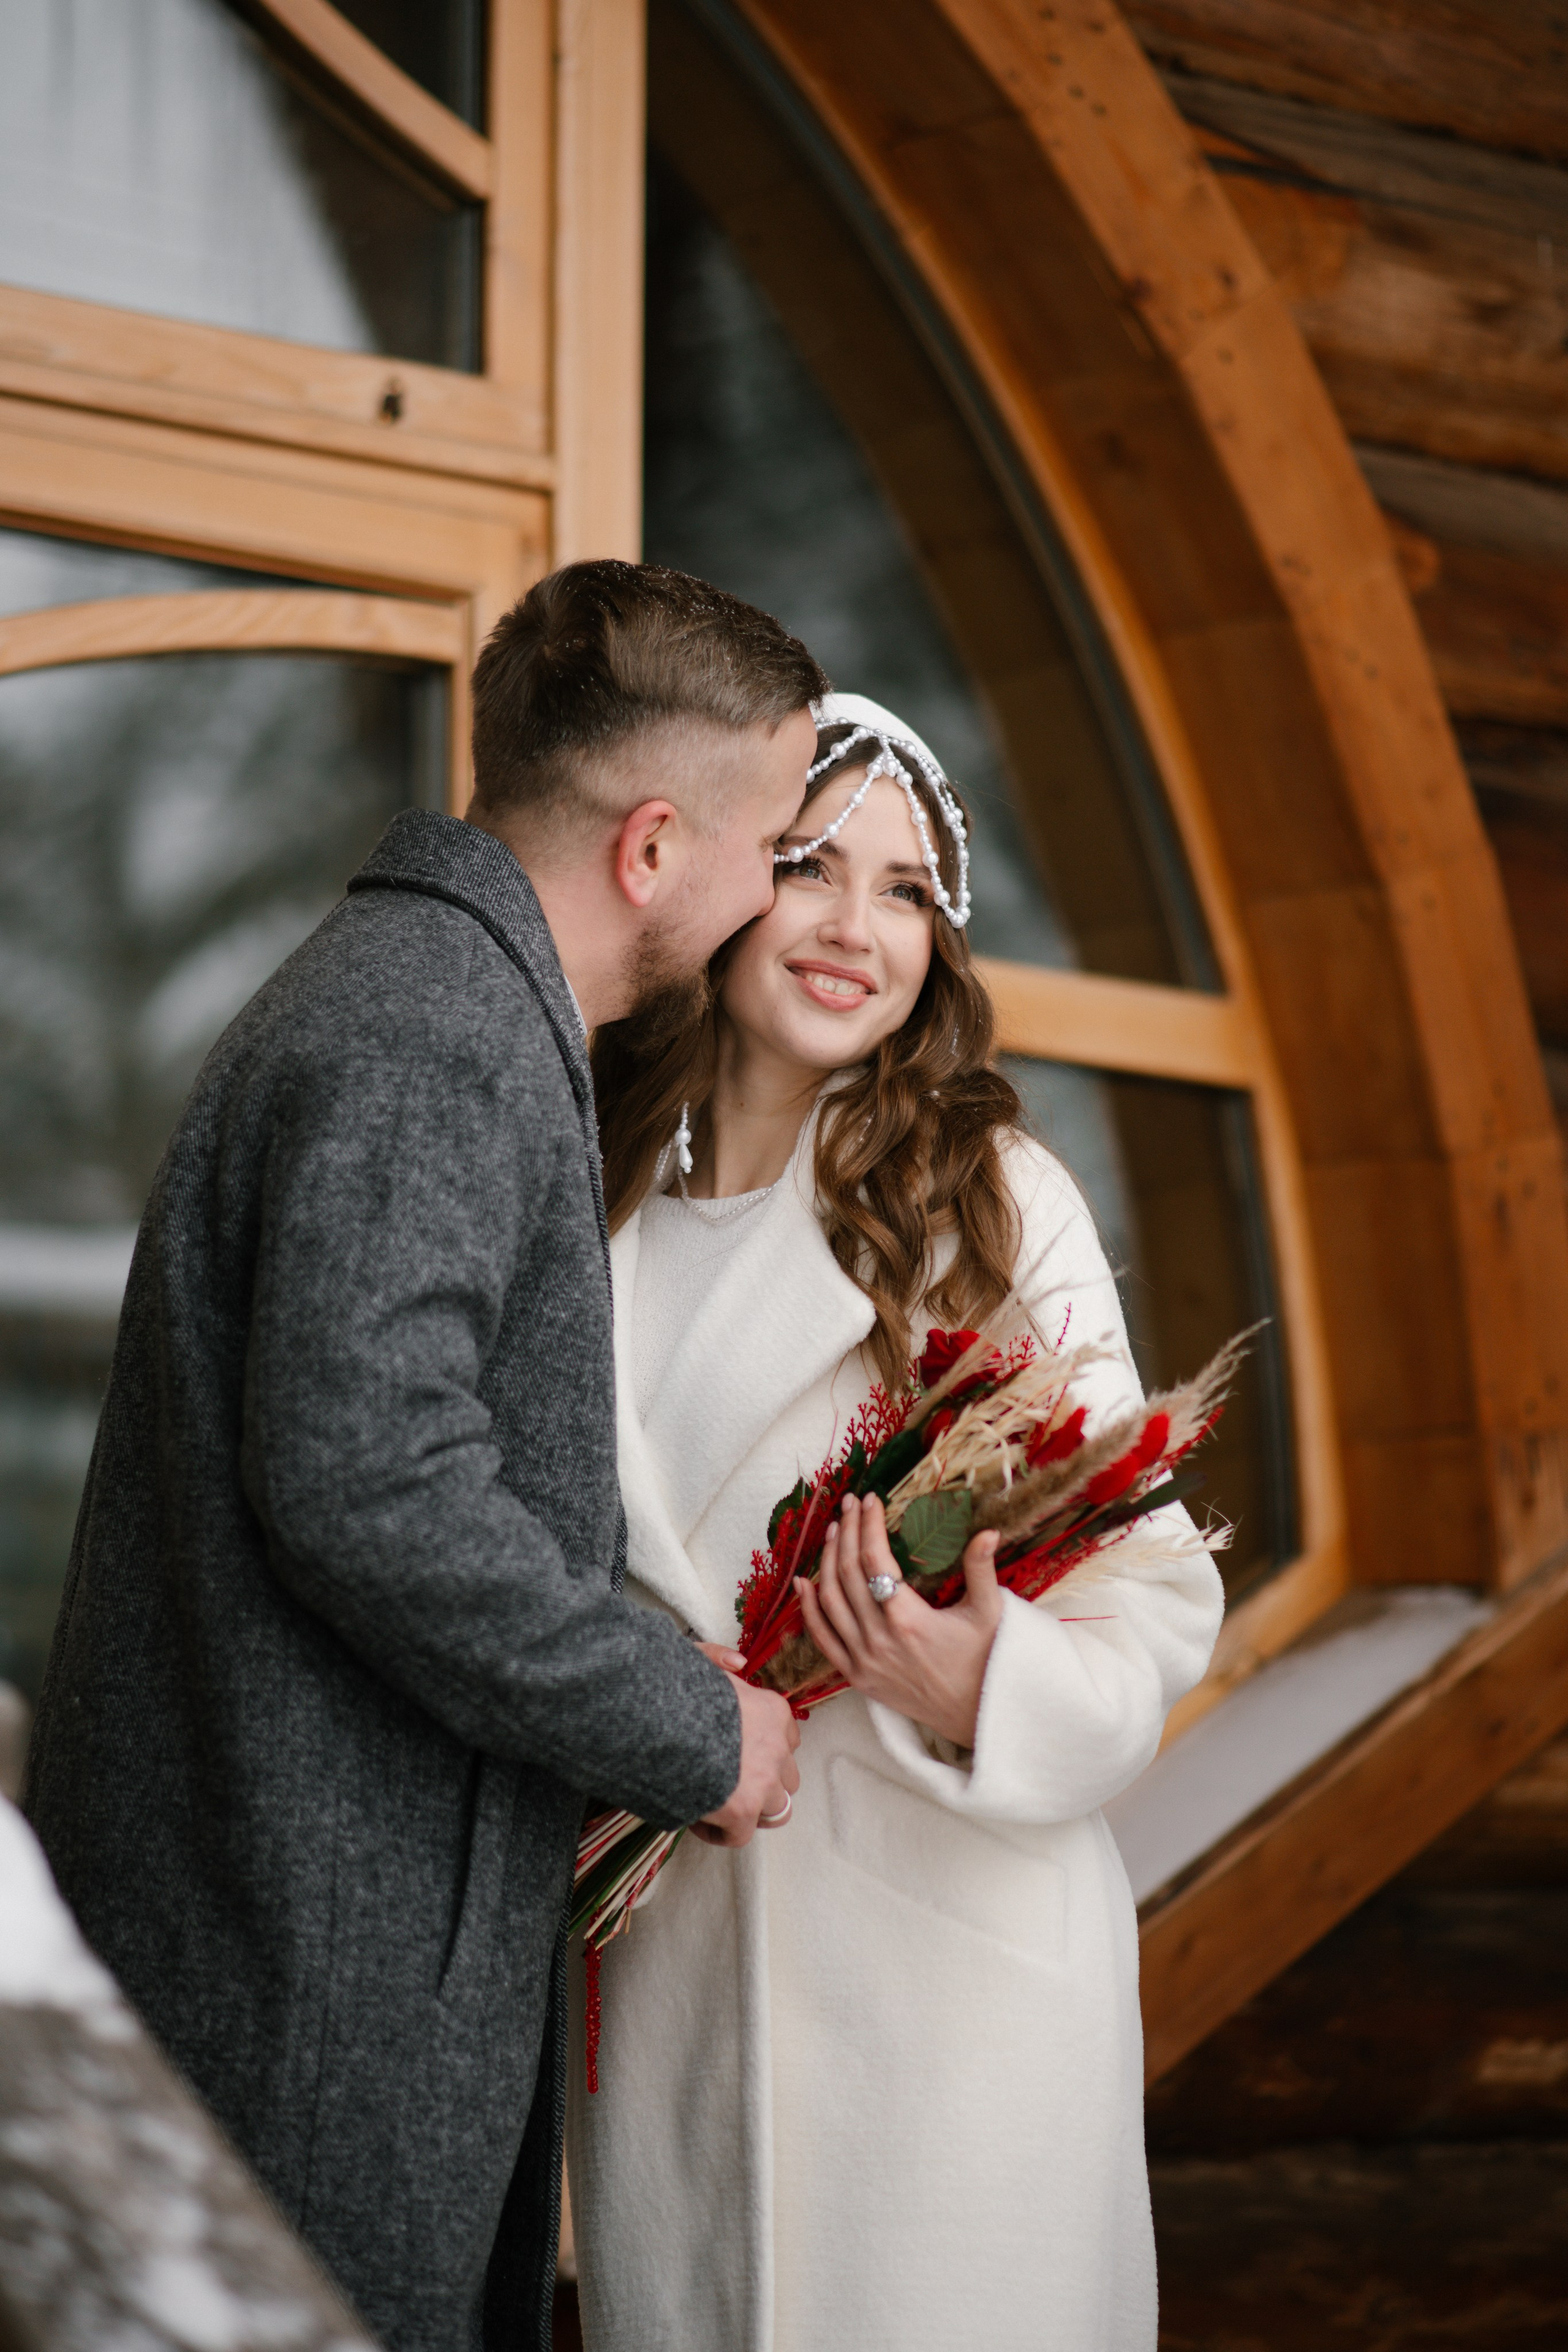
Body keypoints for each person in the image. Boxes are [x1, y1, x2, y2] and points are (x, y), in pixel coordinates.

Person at [23, 562, 822, 2352]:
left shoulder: (433, 1002)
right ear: (654, 846)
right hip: (299, 1972)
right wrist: (684, 1725)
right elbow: (369, 1479)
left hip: (308, 1942)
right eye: (777, 842)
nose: (783, 891)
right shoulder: (432, 1033)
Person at [571, 693, 1226, 2352]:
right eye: (808, 867)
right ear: (718, 882)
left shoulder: (994, 1202)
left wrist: (980, 1684)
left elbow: (1154, 1593)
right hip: (678, 1990)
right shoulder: (594, 1199)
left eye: (909, 889)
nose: (858, 928)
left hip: (946, 1994)